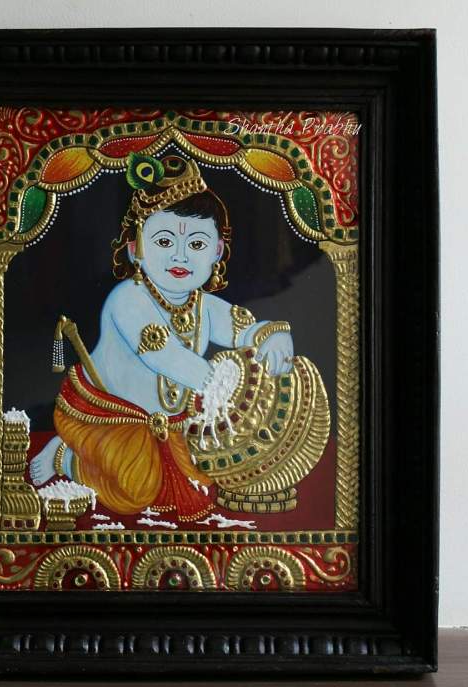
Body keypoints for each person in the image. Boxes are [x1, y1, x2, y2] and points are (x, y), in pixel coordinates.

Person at [30, 153, 293, 521]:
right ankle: (66, 454)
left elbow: (243, 328)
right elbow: (163, 355)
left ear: (217, 251)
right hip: (107, 415)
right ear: (136, 250)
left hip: (170, 422)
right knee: (133, 492)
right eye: (164, 242)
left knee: (207, 479)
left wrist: (272, 336)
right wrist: (217, 386)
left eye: (197, 245)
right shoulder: (128, 299)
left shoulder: (203, 304)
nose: (180, 256)